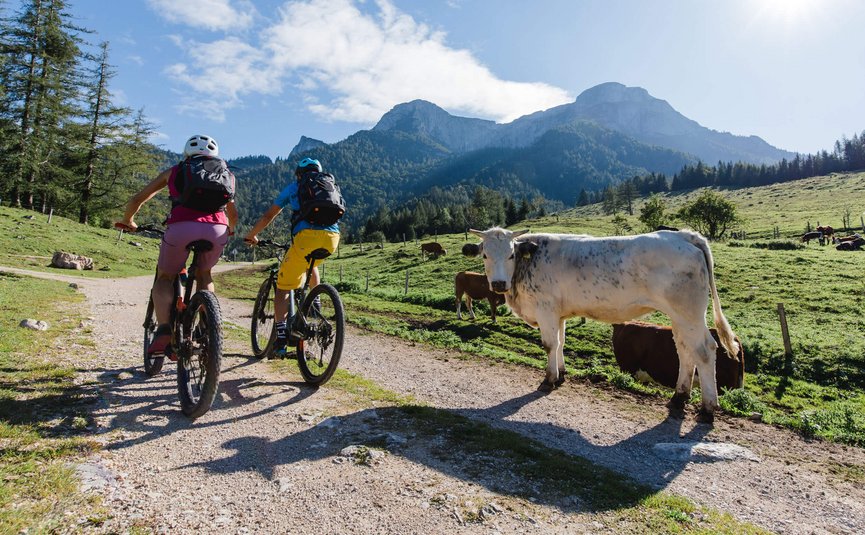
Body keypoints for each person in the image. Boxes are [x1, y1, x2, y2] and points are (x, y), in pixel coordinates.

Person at [116, 134, 238, 356]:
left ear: (187, 152)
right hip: (217, 229)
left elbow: (137, 199)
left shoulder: (176, 170)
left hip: (181, 227)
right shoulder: (226, 174)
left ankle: (163, 330)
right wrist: (229, 229)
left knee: (165, 277)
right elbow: (233, 214)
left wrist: (128, 220)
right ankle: (205, 323)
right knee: (205, 274)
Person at [244, 157, 340, 354]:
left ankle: (280, 338)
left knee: (282, 288)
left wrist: (252, 235)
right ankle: (315, 304)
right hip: (332, 238)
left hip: (305, 237)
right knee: (311, 265)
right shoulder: (329, 186)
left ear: (299, 174)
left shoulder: (294, 187)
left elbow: (268, 215)